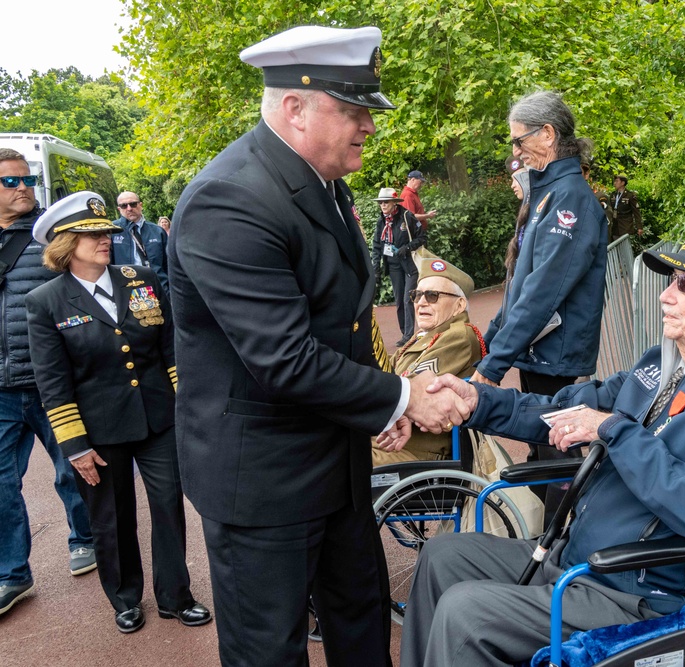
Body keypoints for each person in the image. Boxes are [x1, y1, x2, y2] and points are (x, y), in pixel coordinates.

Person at [167, 25, 468, 667]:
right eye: (352, 110)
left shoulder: (321, 180)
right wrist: (401, 396)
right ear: (294, 107)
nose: (368, 126)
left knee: (359, 621)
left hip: (332, 458)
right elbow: (285, 359)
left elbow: (345, 322)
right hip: (264, 479)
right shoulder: (230, 199)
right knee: (269, 649)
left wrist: (385, 408)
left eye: (367, 111)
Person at [400, 221, 685, 666]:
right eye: (671, 280)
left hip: (639, 591)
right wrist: (479, 400)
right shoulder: (660, 365)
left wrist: (615, 430)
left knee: (467, 614)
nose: (666, 295)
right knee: (442, 554)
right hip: (577, 558)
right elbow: (566, 406)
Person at [24, 191, 210, 633]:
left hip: (158, 418)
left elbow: (169, 349)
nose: (105, 239)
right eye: (92, 235)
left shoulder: (140, 278)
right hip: (99, 429)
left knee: (169, 507)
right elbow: (53, 381)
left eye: (106, 232)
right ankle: (125, 598)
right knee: (112, 515)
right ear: (65, 244)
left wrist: (185, 407)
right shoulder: (47, 301)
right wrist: (74, 446)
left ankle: (175, 596)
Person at [471, 90, 608, 522]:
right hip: (541, 352)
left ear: (547, 135)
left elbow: (543, 292)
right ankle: (547, 544)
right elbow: (520, 288)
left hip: (556, 356)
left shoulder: (571, 198)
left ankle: (555, 551)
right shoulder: (549, 194)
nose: (514, 151)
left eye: (518, 141)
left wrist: (491, 367)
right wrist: (488, 344)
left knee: (557, 456)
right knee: (542, 450)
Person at [0, 148, 96, 619]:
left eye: (26, 180)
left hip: (49, 382)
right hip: (0, 387)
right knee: (0, 483)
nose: (22, 188)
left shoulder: (50, 242)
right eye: (10, 182)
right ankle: (12, 573)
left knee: (71, 469)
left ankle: (86, 539)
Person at [373, 257, 484, 465]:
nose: (421, 302)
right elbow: (389, 367)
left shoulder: (459, 337)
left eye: (432, 296)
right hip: (391, 438)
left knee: (333, 460)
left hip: (415, 451)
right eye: (417, 295)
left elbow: (419, 387)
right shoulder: (424, 335)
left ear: (459, 305)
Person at [371, 187, 427, 346]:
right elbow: (376, 246)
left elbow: (422, 237)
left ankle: (409, 336)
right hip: (393, 265)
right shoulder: (381, 221)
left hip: (409, 264)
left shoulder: (407, 216)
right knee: (399, 301)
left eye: (386, 202)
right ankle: (405, 333)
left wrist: (406, 248)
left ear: (395, 203)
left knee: (408, 299)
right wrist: (376, 269)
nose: (382, 205)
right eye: (380, 202)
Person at [110, 192, 169, 294]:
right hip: (128, 290)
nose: (129, 208)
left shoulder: (157, 231)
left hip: (159, 288)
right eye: (124, 206)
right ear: (119, 209)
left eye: (133, 204)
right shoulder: (112, 231)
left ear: (140, 205)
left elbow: (168, 264)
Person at [610, 174, 642, 239]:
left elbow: (636, 212)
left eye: (617, 181)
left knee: (624, 245)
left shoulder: (630, 196)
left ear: (622, 183)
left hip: (625, 226)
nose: (614, 183)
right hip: (615, 226)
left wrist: (639, 227)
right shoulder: (613, 195)